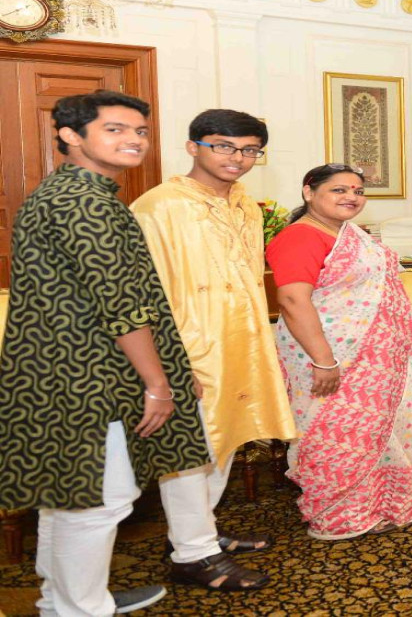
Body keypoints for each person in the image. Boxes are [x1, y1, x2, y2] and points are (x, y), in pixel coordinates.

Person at [0, 91, 212, 615]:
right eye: (114, 129)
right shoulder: (86, 202)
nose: (134, 140)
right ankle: (81, 608)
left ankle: (65, 600)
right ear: (71, 135)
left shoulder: (65, 192)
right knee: (99, 499)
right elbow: (122, 307)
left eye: (140, 131)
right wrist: (158, 384)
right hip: (90, 376)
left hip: (61, 371)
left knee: (69, 494)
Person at [130, 109, 293, 590]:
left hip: (238, 345)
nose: (237, 158)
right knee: (190, 451)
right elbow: (140, 292)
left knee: (223, 440)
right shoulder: (158, 206)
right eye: (222, 145)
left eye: (249, 150)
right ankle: (193, 555)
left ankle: (196, 534)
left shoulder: (247, 205)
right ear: (193, 147)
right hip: (187, 349)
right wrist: (169, 364)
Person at [267, 164, 412, 539]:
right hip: (329, 358)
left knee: (375, 434)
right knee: (337, 437)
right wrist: (324, 360)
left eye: (358, 191)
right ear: (309, 192)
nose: (351, 197)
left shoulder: (352, 235)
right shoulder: (300, 236)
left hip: (378, 362)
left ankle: (380, 504)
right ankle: (339, 513)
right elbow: (293, 300)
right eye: (339, 190)